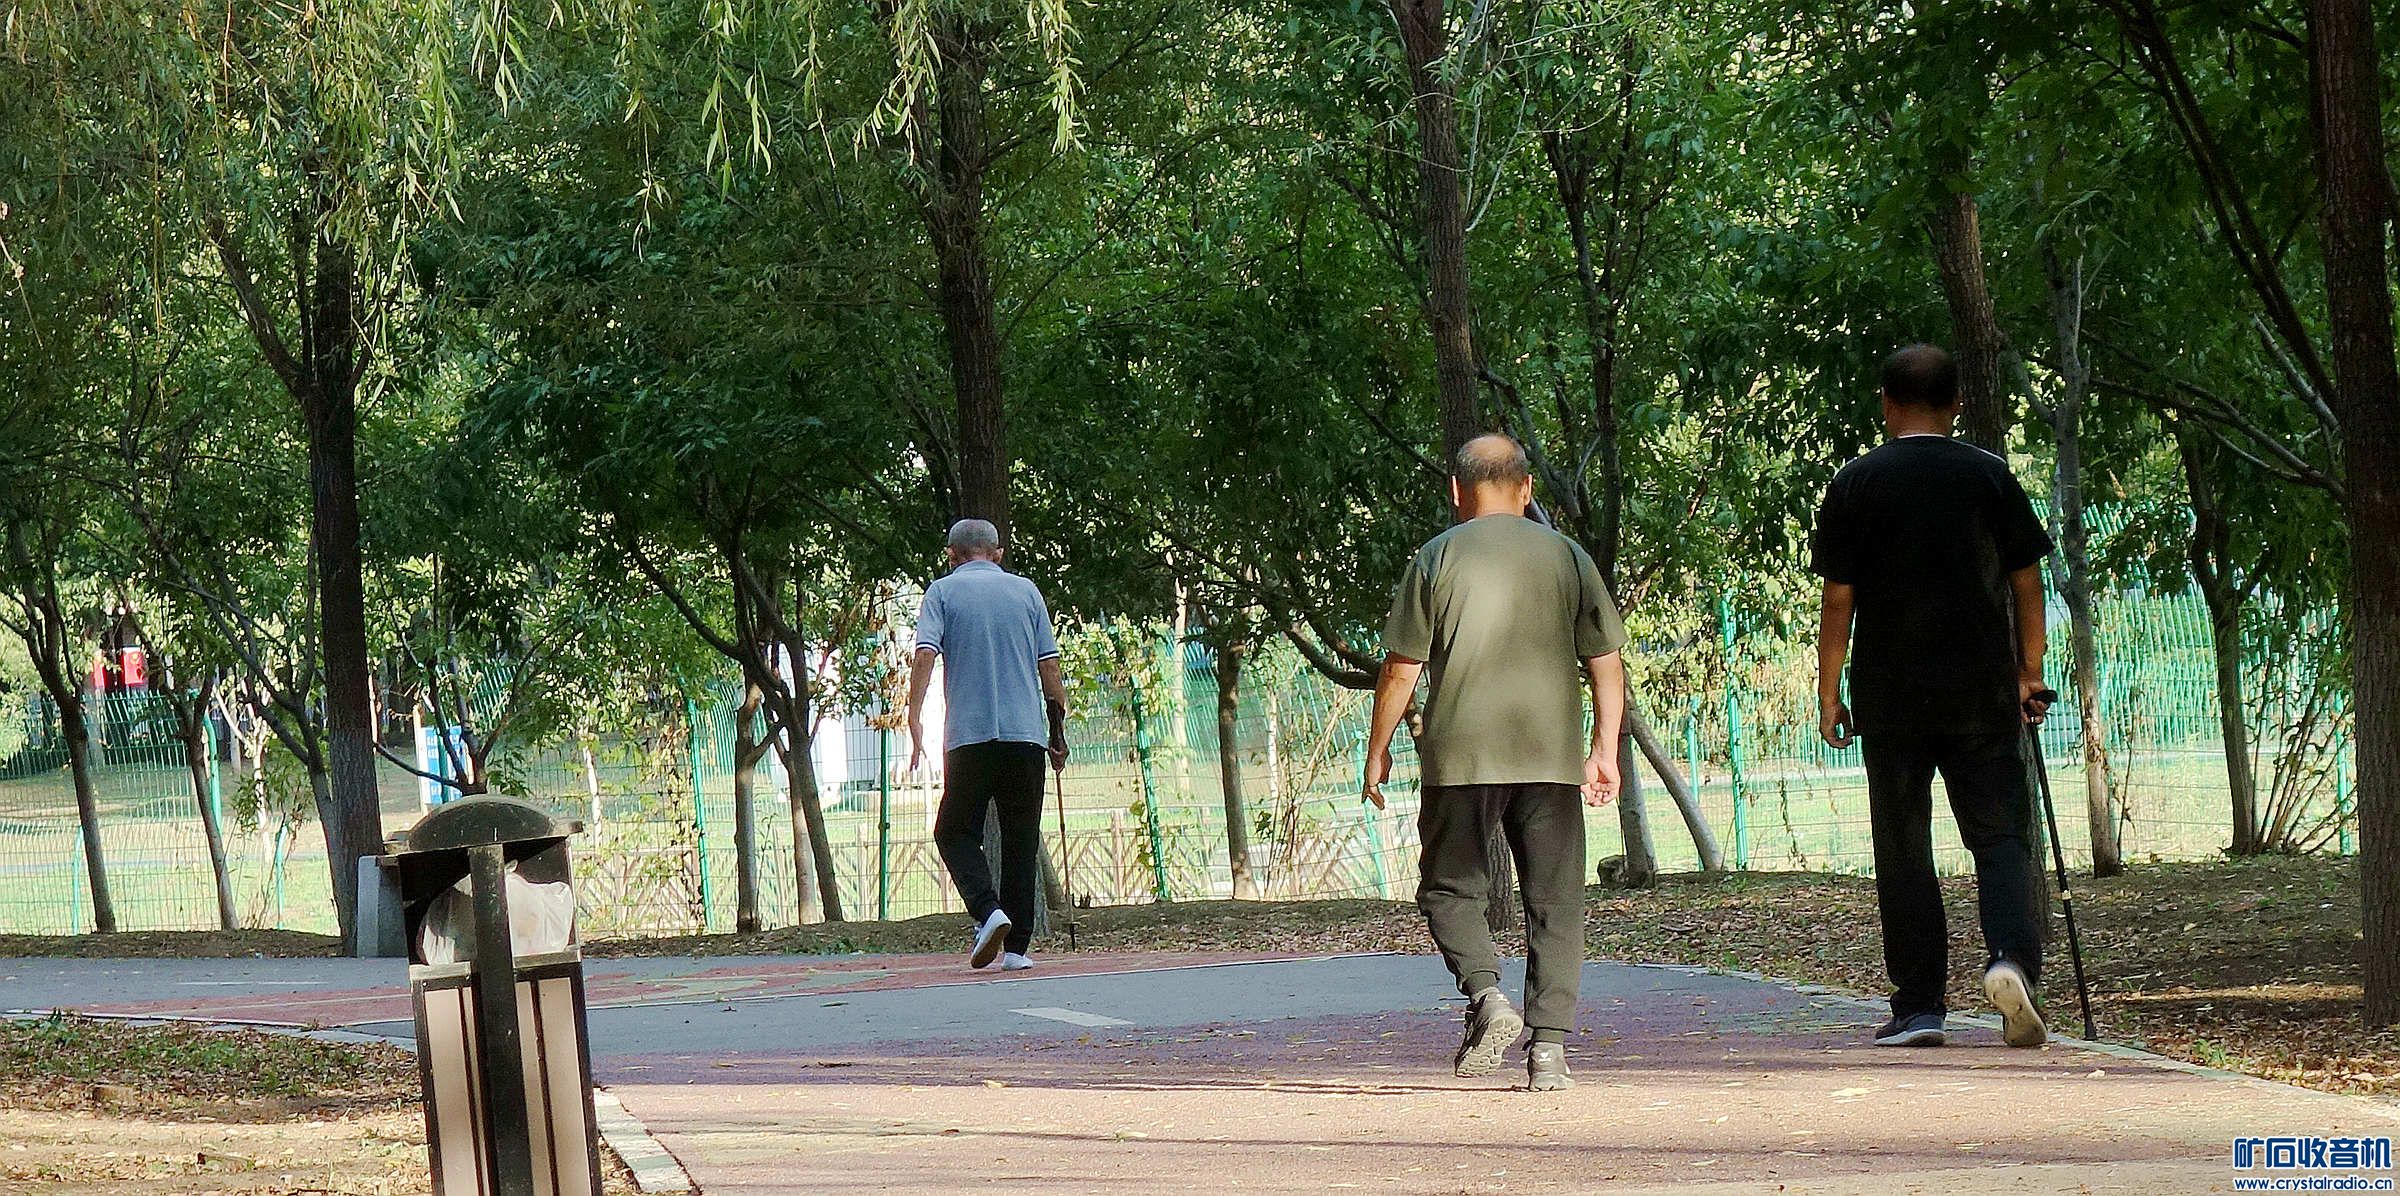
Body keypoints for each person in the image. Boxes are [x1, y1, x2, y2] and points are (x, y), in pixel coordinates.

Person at [1361, 434, 1627, 1092]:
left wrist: (1377, 749)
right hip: (1549, 758)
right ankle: (1550, 1053)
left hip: (1460, 757)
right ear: (1526, 488)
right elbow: (1606, 662)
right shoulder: (1567, 556)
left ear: (1457, 491)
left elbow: (1401, 668)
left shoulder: (1436, 557)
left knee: (1448, 889)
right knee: (1555, 899)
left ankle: (1486, 996)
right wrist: (1604, 750)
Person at [1811, 344, 2055, 1050]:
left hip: (1890, 698)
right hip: (1982, 692)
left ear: (1886, 405)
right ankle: (2011, 962)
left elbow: (1838, 599)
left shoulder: (1856, 482)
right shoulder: (1989, 476)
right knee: (1999, 837)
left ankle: (1919, 1006)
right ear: (1957, 405)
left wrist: (1828, 692)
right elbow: (2027, 582)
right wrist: (2029, 672)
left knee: (1904, 846)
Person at [907, 518, 1070, 972]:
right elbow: (1050, 669)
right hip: (1026, 736)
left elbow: (925, 654)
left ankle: (986, 909)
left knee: (954, 830)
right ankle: (1017, 950)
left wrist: (914, 714)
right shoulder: (1027, 593)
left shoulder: (941, 593)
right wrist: (1057, 733)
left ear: (952, 554)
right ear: (997, 553)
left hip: (970, 736)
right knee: (1021, 836)